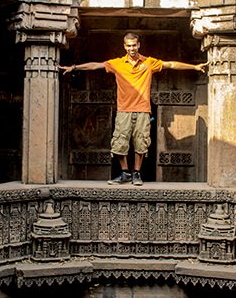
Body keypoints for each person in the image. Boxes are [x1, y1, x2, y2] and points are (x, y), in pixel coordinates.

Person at [59, 32, 207, 186]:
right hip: (124, 110)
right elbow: (96, 65)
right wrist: (74, 67)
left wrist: (194, 67)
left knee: (141, 143)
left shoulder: (148, 62)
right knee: (119, 143)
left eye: (134, 45)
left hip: (143, 109)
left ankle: (136, 173)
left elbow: (170, 64)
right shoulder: (117, 63)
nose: (132, 48)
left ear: (139, 45)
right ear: (124, 46)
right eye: (128, 45)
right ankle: (124, 173)